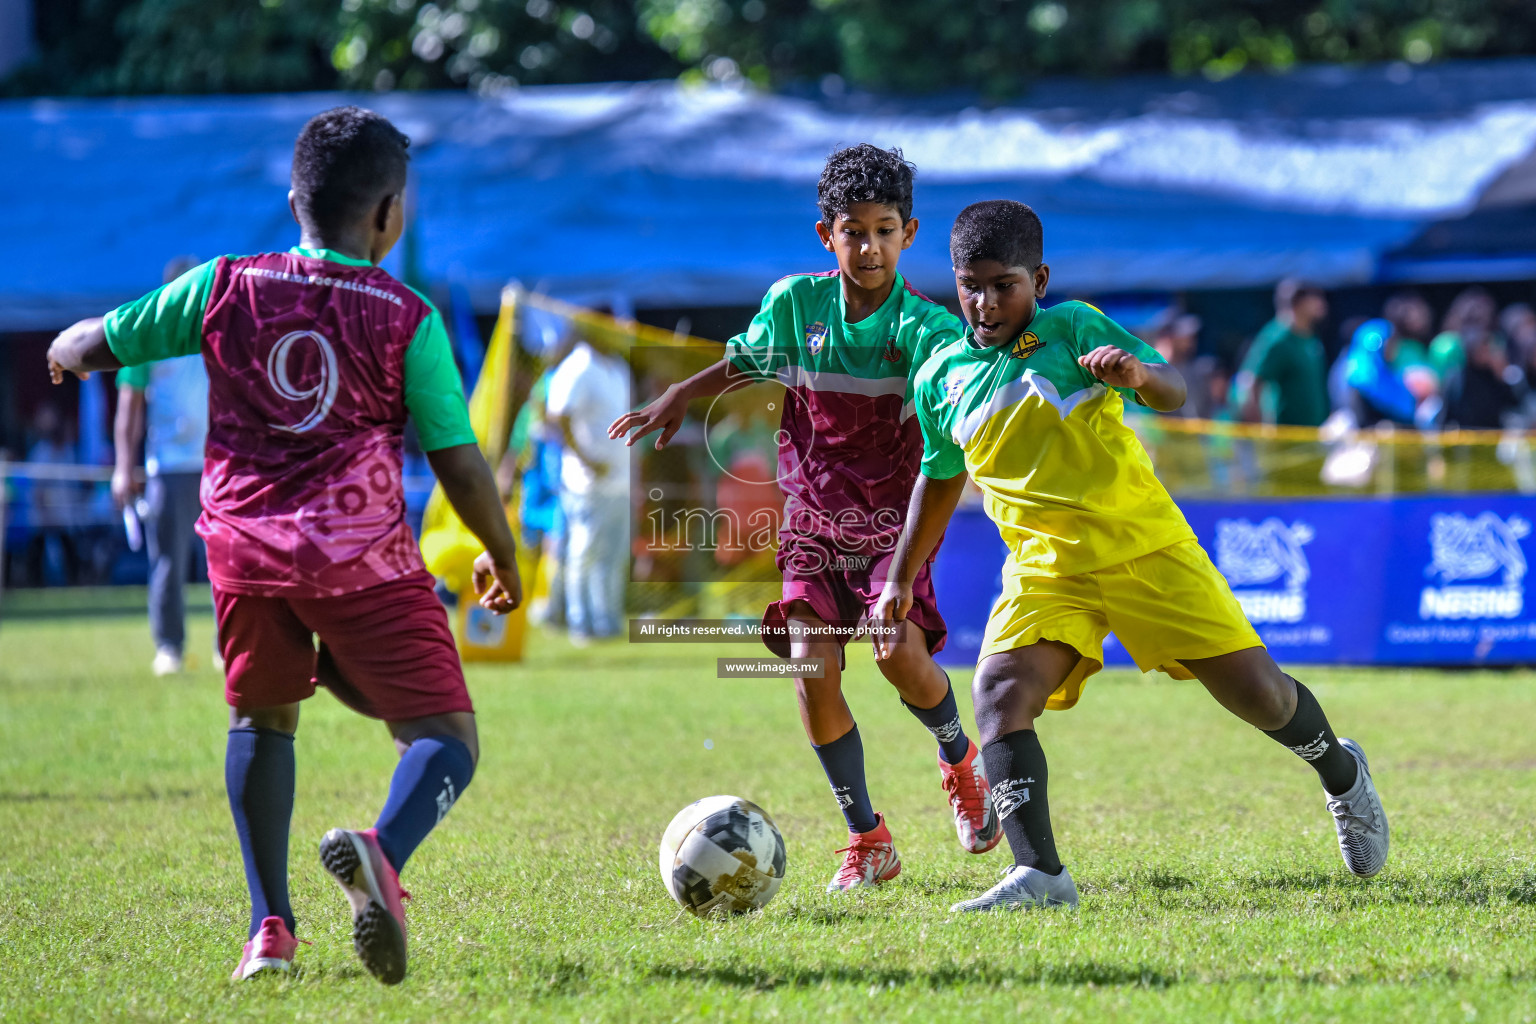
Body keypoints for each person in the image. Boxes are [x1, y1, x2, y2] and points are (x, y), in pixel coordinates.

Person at [45, 106, 523, 984]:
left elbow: (93, 342)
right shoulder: (406, 316)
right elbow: (457, 461)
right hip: (360, 561)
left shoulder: (223, 284)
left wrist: (67, 351)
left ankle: (269, 930)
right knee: (446, 739)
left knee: (261, 720)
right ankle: (382, 852)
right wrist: (502, 549)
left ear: (295, 199)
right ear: (386, 214)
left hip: (243, 556)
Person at [874, 200, 1388, 912]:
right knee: (996, 695)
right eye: (972, 285)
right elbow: (937, 479)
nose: (986, 303)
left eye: (1005, 285)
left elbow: (1172, 388)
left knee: (1262, 697)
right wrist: (898, 579)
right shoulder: (940, 377)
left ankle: (1341, 771)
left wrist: (1139, 376)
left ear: (1040, 279)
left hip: (1144, 549)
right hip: (1045, 571)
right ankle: (1042, 875)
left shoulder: (1074, 327)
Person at [611, 144, 1000, 891]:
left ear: (909, 233)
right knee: (809, 666)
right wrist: (683, 393)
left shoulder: (927, 330)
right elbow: (747, 359)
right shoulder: (794, 304)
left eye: (886, 230)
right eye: (854, 231)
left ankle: (960, 761)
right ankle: (868, 838)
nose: (870, 246)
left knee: (894, 655)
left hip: (895, 523)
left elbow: (958, 406)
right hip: (815, 519)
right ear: (827, 235)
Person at [113, 256, 214, 676]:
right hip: (167, 466)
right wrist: (123, 466)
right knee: (168, 563)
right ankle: (169, 648)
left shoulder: (218, 330)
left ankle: (229, 647)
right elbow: (128, 407)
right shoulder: (148, 336)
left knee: (227, 562)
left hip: (217, 464)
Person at [546, 330, 631, 641]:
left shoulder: (619, 366)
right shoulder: (577, 365)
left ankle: (607, 621)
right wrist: (586, 458)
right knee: (583, 552)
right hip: (586, 482)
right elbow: (557, 416)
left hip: (621, 480)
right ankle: (579, 622)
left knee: (614, 555)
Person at [1235, 279, 1331, 426]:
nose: (1322, 303)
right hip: (1285, 436)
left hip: (1313, 434)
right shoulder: (1278, 338)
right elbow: (1250, 381)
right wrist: (1258, 427)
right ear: (1299, 302)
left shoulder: (1311, 337)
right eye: (1316, 297)